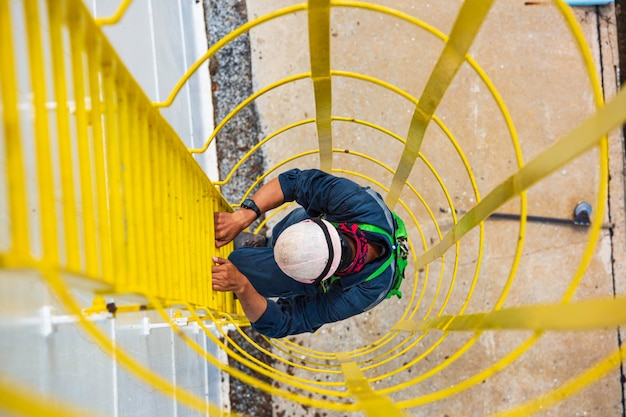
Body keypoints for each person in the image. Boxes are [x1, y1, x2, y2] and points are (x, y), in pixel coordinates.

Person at [211, 168, 403, 338]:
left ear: (317, 279)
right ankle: (268, 244)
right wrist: (244, 215)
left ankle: (258, 266)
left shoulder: (360, 293)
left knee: (240, 265)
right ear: (322, 225)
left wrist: (243, 286)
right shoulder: (356, 205)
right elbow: (295, 182)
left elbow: (283, 323)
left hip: (324, 279)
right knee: (277, 241)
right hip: (309, 227)